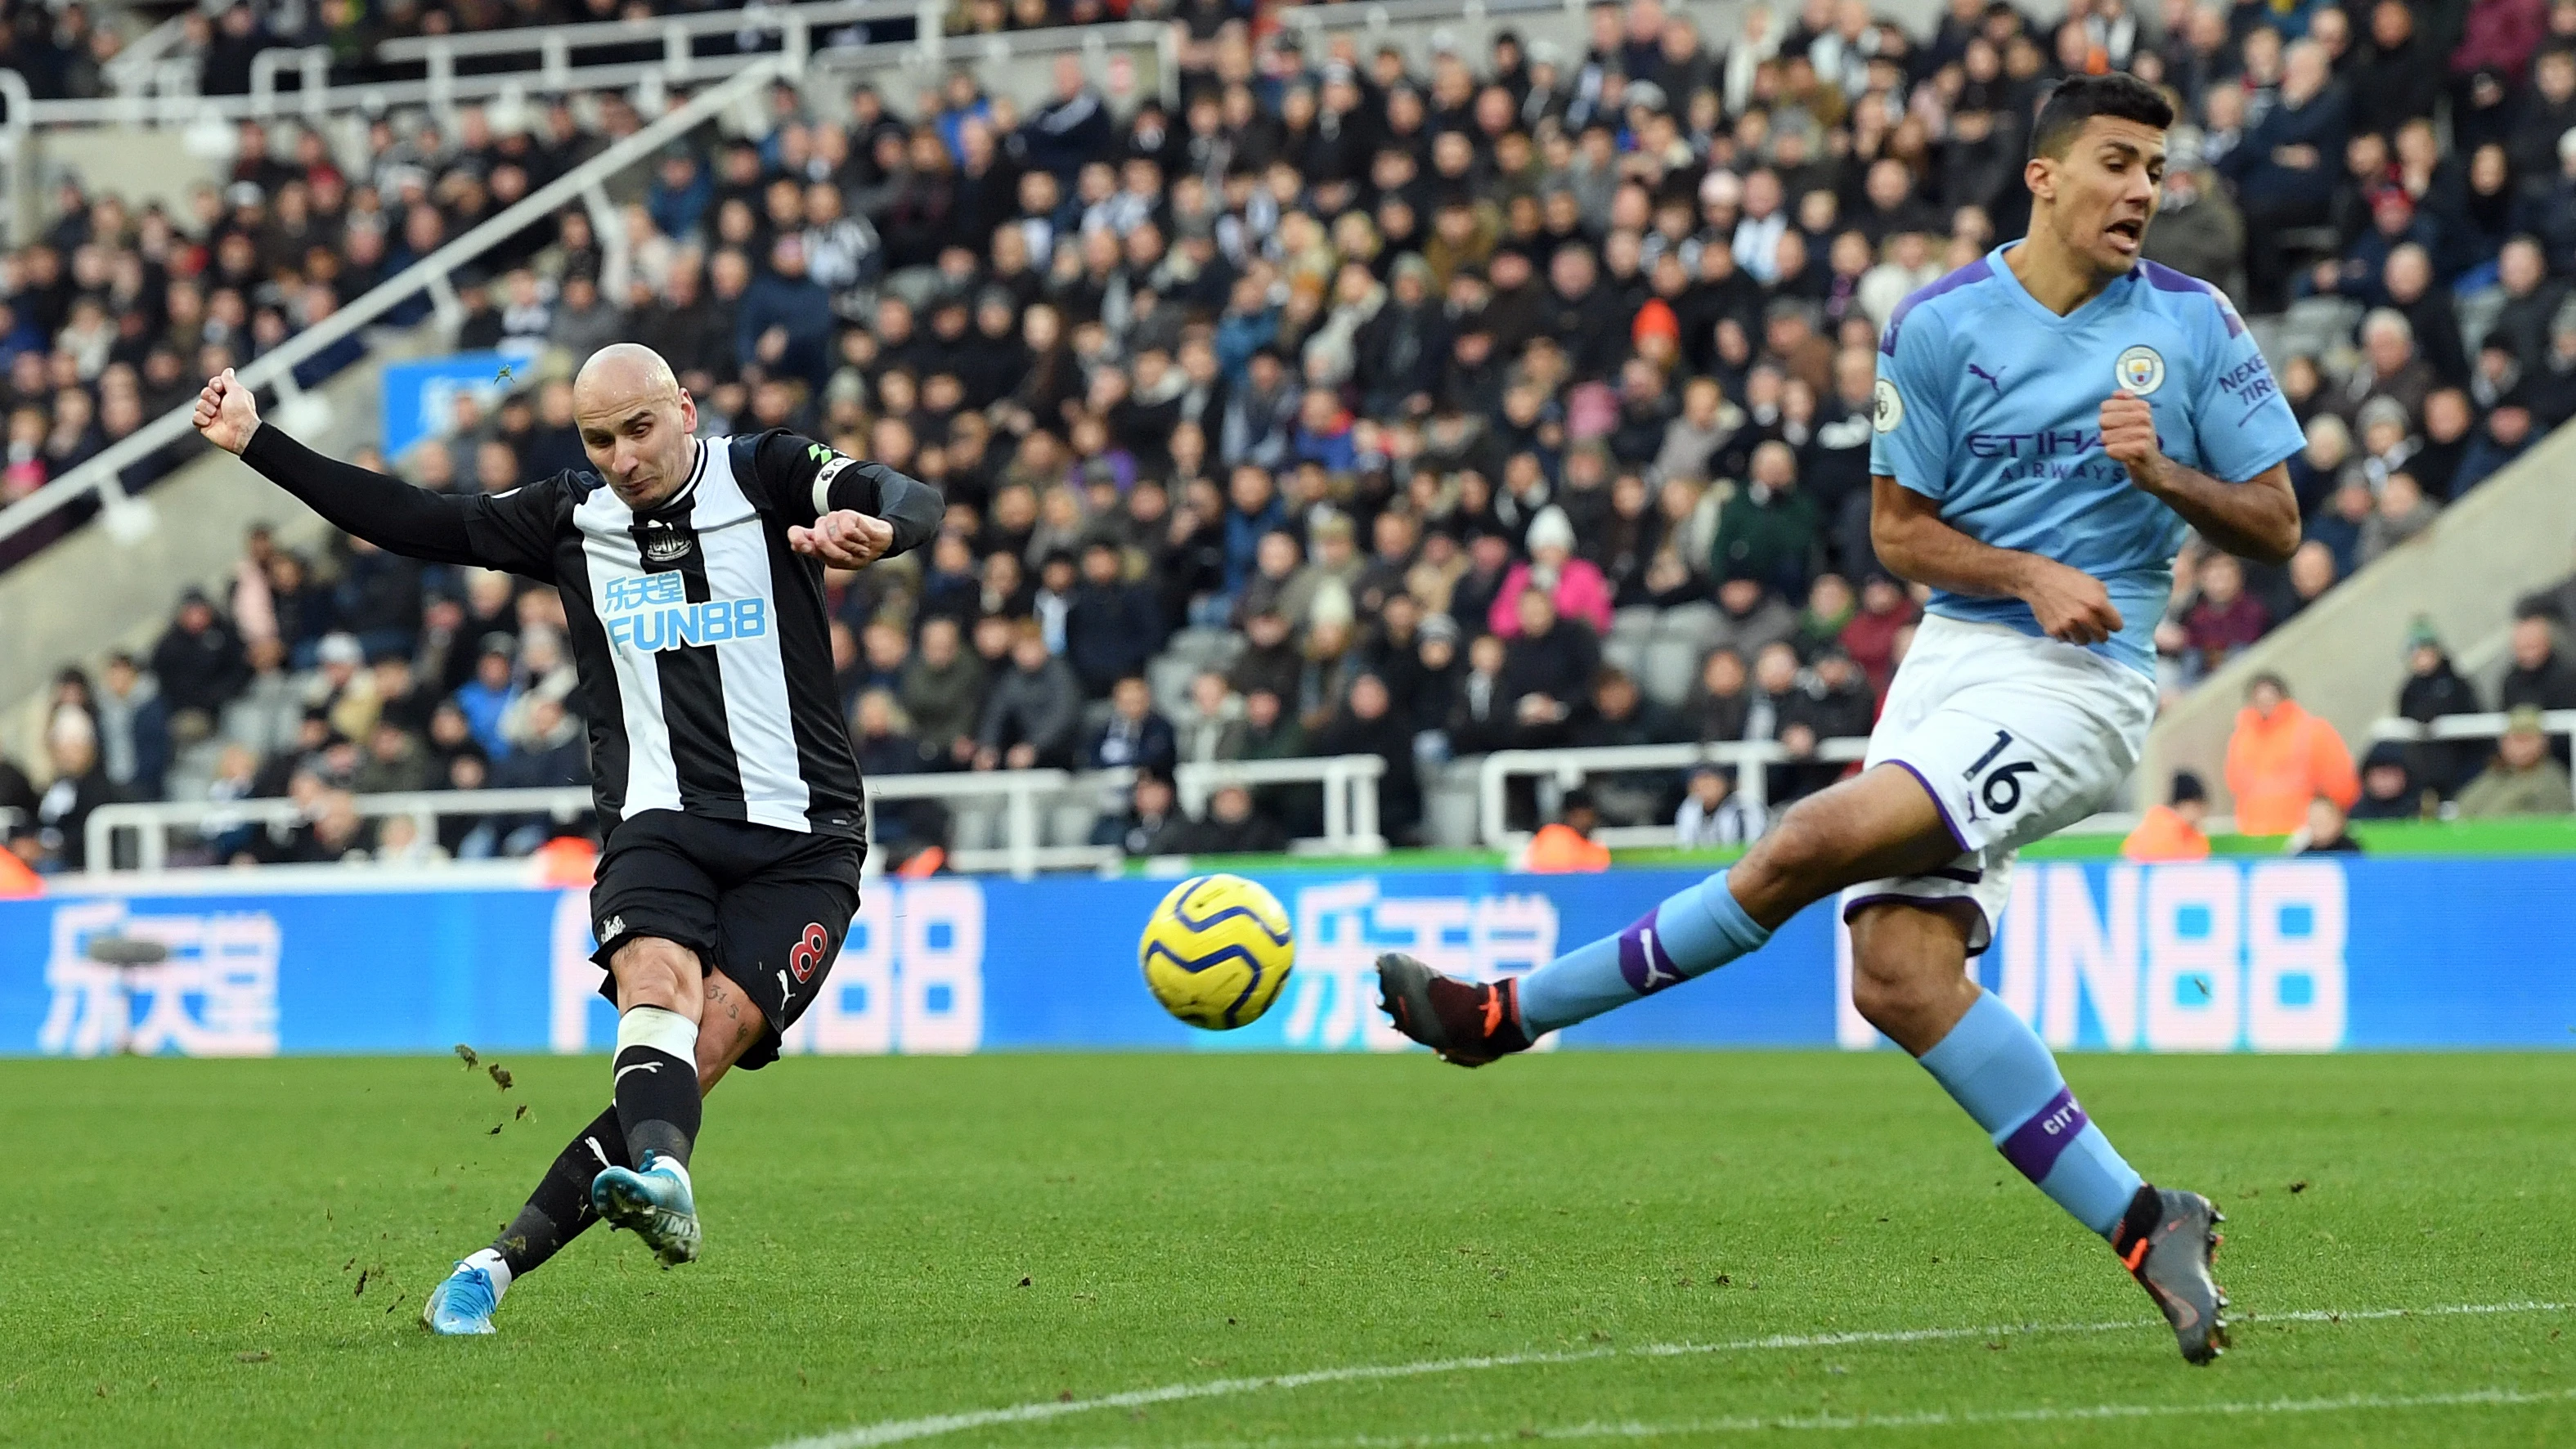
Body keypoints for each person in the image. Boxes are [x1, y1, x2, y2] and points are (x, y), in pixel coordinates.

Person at [1372, 76, 2299, 1366]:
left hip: (2083, 685)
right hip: (1952, 663)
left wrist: (2162, 475)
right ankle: (2148, 1222)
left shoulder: (2193, 327)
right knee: (1900, 979)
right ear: (2043, 177)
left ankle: (1506, 1016)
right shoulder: (1935, 327)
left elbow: (2276, 523)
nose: (2142, 190)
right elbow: (1896, 532)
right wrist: (2024, 569)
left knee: (1806, 842)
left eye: (2154, 167)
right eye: (2116, 162)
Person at [193, 343, 943, 1335]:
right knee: (656, 987)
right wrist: (258, 442)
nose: (622, 457)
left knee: (702, 1045)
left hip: (806, 840)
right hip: (658, 821)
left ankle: (492, 1264)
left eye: (639, 429)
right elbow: (413, 519)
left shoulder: (767, 473)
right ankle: (666, 1178)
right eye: (599, 439)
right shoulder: (569, 517)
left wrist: (876, 526)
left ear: (684, 407)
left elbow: (905, 491)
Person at [2224, 673, 2359, 835]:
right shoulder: (2242, 737)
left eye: (2269, 697)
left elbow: (2340, 784)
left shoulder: (2312, 732)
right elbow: (2235, 783)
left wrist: (2328, 824)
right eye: (2259, 699)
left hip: (2304, 834)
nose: (2265, 703)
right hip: (2254, 833)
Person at [2454, 707, 2576, 818]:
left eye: (2527, 739)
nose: (2520, 747)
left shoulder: (2551, 780)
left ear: (2543, 743)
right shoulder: (2496, 775)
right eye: (2515, 739)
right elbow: (2464, 808)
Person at [2121, 771, 2211, 861]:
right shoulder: (2166, 834)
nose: (2201, 816)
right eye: (2199, 807)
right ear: (2188, 803)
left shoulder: (2151, 825)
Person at [2294, 794, 2363, 855]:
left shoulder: (2353, 854)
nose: (2318, 822)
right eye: (2314, 817)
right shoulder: (2303, 858)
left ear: (2338, 820)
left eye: (2324, 817)